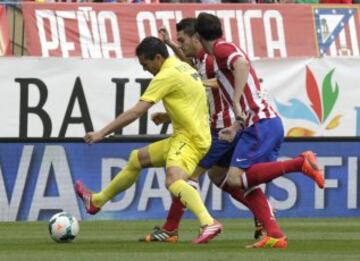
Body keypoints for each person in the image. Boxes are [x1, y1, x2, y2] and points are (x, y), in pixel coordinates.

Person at [140, 18, 279, 243]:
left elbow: (222, 76)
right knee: (219, 176)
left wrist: (202, 84)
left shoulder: (213, 58)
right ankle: (263, 214)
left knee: (187, 176)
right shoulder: (202, 60)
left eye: (182, 40)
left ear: (197, 38)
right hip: (221, 127)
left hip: (225, 128)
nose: (180, 45)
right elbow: (192, 67)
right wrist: (172, 46)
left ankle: (171, 229)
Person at [195, 12, 325, 248]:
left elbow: (242, 65)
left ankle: (300, 163)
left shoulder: (222, 48)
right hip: (258, 122)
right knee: (234, 179)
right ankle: (274, 234)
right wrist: (236, 125)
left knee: (234, 178)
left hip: (261, 122)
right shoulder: (221, 52)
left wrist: (235, 103)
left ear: (198, 36)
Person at [75, 36, 222, 244]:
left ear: (158, 58)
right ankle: (96, 201)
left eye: (146, 64)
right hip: (192, 135)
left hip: (189, 140)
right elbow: (194, 104)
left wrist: (102, 133)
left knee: (174, 181)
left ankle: (208, 222)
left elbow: (136, 112)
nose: (145, 69)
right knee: (137, 158)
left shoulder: (166, 75)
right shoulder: (184, 68)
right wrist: (168, 116)